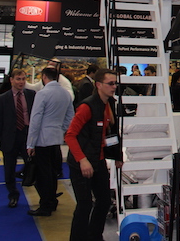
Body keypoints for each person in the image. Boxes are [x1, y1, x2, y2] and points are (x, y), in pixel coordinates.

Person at [65, 68, 123, 241]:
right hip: (81, 164)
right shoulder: (87, 107)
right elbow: (70, 136)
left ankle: (94, 236)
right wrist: (82, 160)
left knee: (104, 201)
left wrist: (117, 156)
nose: (114, 87)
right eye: (110, 83)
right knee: (84, 205)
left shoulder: (109, 105)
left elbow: (110, 133)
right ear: (98, 85)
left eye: (115, 83)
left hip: (98, 161)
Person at [26, 66, 74, 216]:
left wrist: (30, 143)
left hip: (42, 139)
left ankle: (46, 205)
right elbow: (70, 117)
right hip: (56, 139)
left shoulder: (42, 93)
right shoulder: (65, 94)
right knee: (53, 172)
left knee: (43, 174)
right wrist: (60, 129)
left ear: (44, 77)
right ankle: (52, 201)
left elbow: (35, 120)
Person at [0, 69, 36, 208]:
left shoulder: (32, 95)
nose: (21, 82)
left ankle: (45, 196)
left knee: (33, 165)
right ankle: (13, 195)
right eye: (18, 79)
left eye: (23, 79)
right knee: (9, 169)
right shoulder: (3, 98)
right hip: (9, 138)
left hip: (27, 136)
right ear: (11, 80)